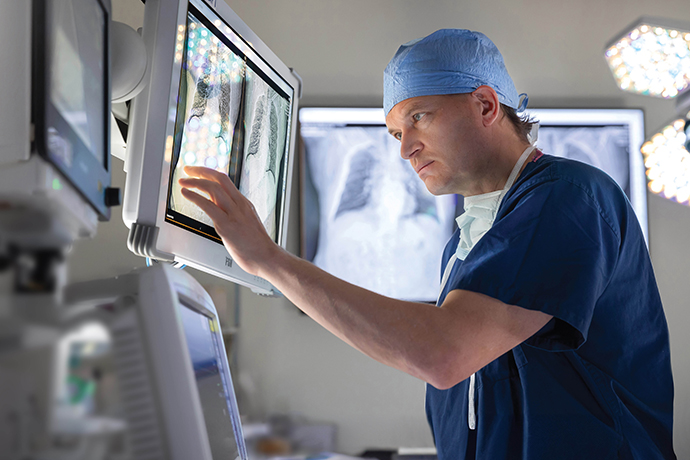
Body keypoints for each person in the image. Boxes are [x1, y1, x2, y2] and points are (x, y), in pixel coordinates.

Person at [178, 29, 676, 459]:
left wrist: (271, 261)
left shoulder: (567, 198)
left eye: (419, 116)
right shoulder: (467, 243)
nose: (404, 148)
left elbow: (441, 353)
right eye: (395, 131)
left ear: (485, 105)